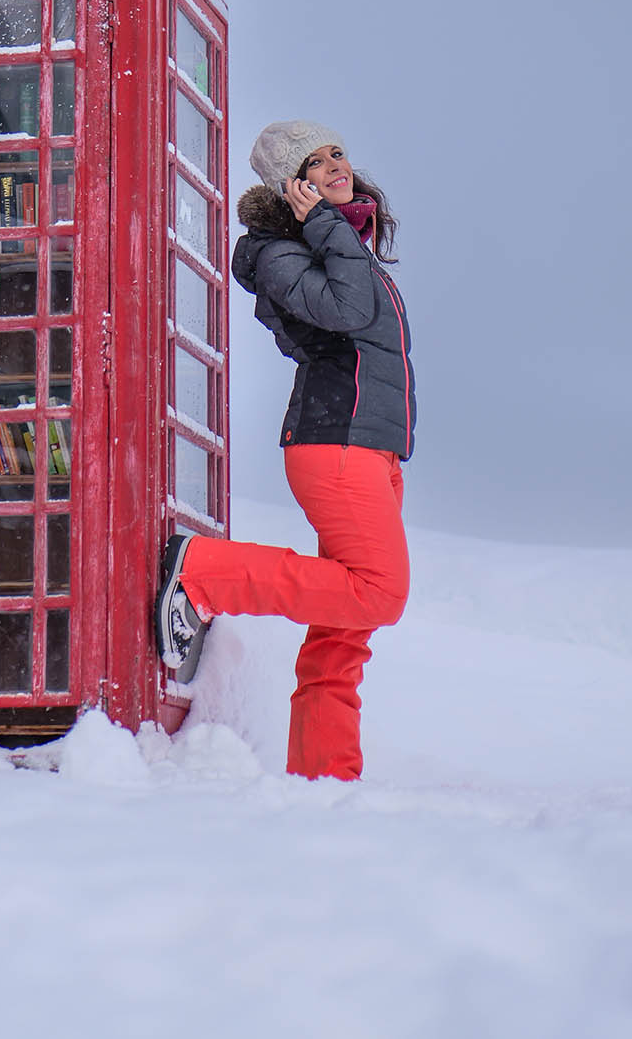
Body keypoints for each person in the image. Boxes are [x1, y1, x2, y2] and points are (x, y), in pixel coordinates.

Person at [154, 118, 415, 782]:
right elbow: (349, 313)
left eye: (338, 153)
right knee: (379, 594)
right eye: (313, 162)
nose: (335, 166)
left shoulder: (339, 247)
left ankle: (325, 779)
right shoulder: (281, 251)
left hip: (374, 449)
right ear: (289, 185)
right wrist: (327, 225)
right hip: (335, 442)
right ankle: (202, 572)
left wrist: (334, 231)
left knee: (342, 631)